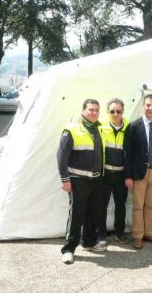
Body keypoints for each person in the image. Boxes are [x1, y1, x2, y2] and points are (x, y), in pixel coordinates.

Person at [57, 99, 106, 265]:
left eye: (96, 110)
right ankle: (69, 249)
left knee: (93, 213)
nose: (94, 113)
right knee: (77, 215)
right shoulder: (71, 129)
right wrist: (65, 180)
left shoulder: (99, 128)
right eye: (91, 110)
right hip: (78, 180)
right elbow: (61, 156)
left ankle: (89, 242)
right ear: (83, 110)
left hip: (96, 179)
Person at [124, 94, 152, 249]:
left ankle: (149, 233)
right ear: (143, 107)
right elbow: (127, 153)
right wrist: (128, 176)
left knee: (151, 205)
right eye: (148, 105)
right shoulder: (133, 126)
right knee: (138, 206)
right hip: (138, 173)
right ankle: (138, 235)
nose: (151, 108)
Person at [97, 98, 129, 246]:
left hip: (122, 174)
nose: (115, 114)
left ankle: (120, 233)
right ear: (107, 112)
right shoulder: (101, 127)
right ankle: (101, 235)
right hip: (105, 173)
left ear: (123, 111)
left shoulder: (130, 128)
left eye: (118, 111)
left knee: (121, 205)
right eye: (112, 111)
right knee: (101, 205)